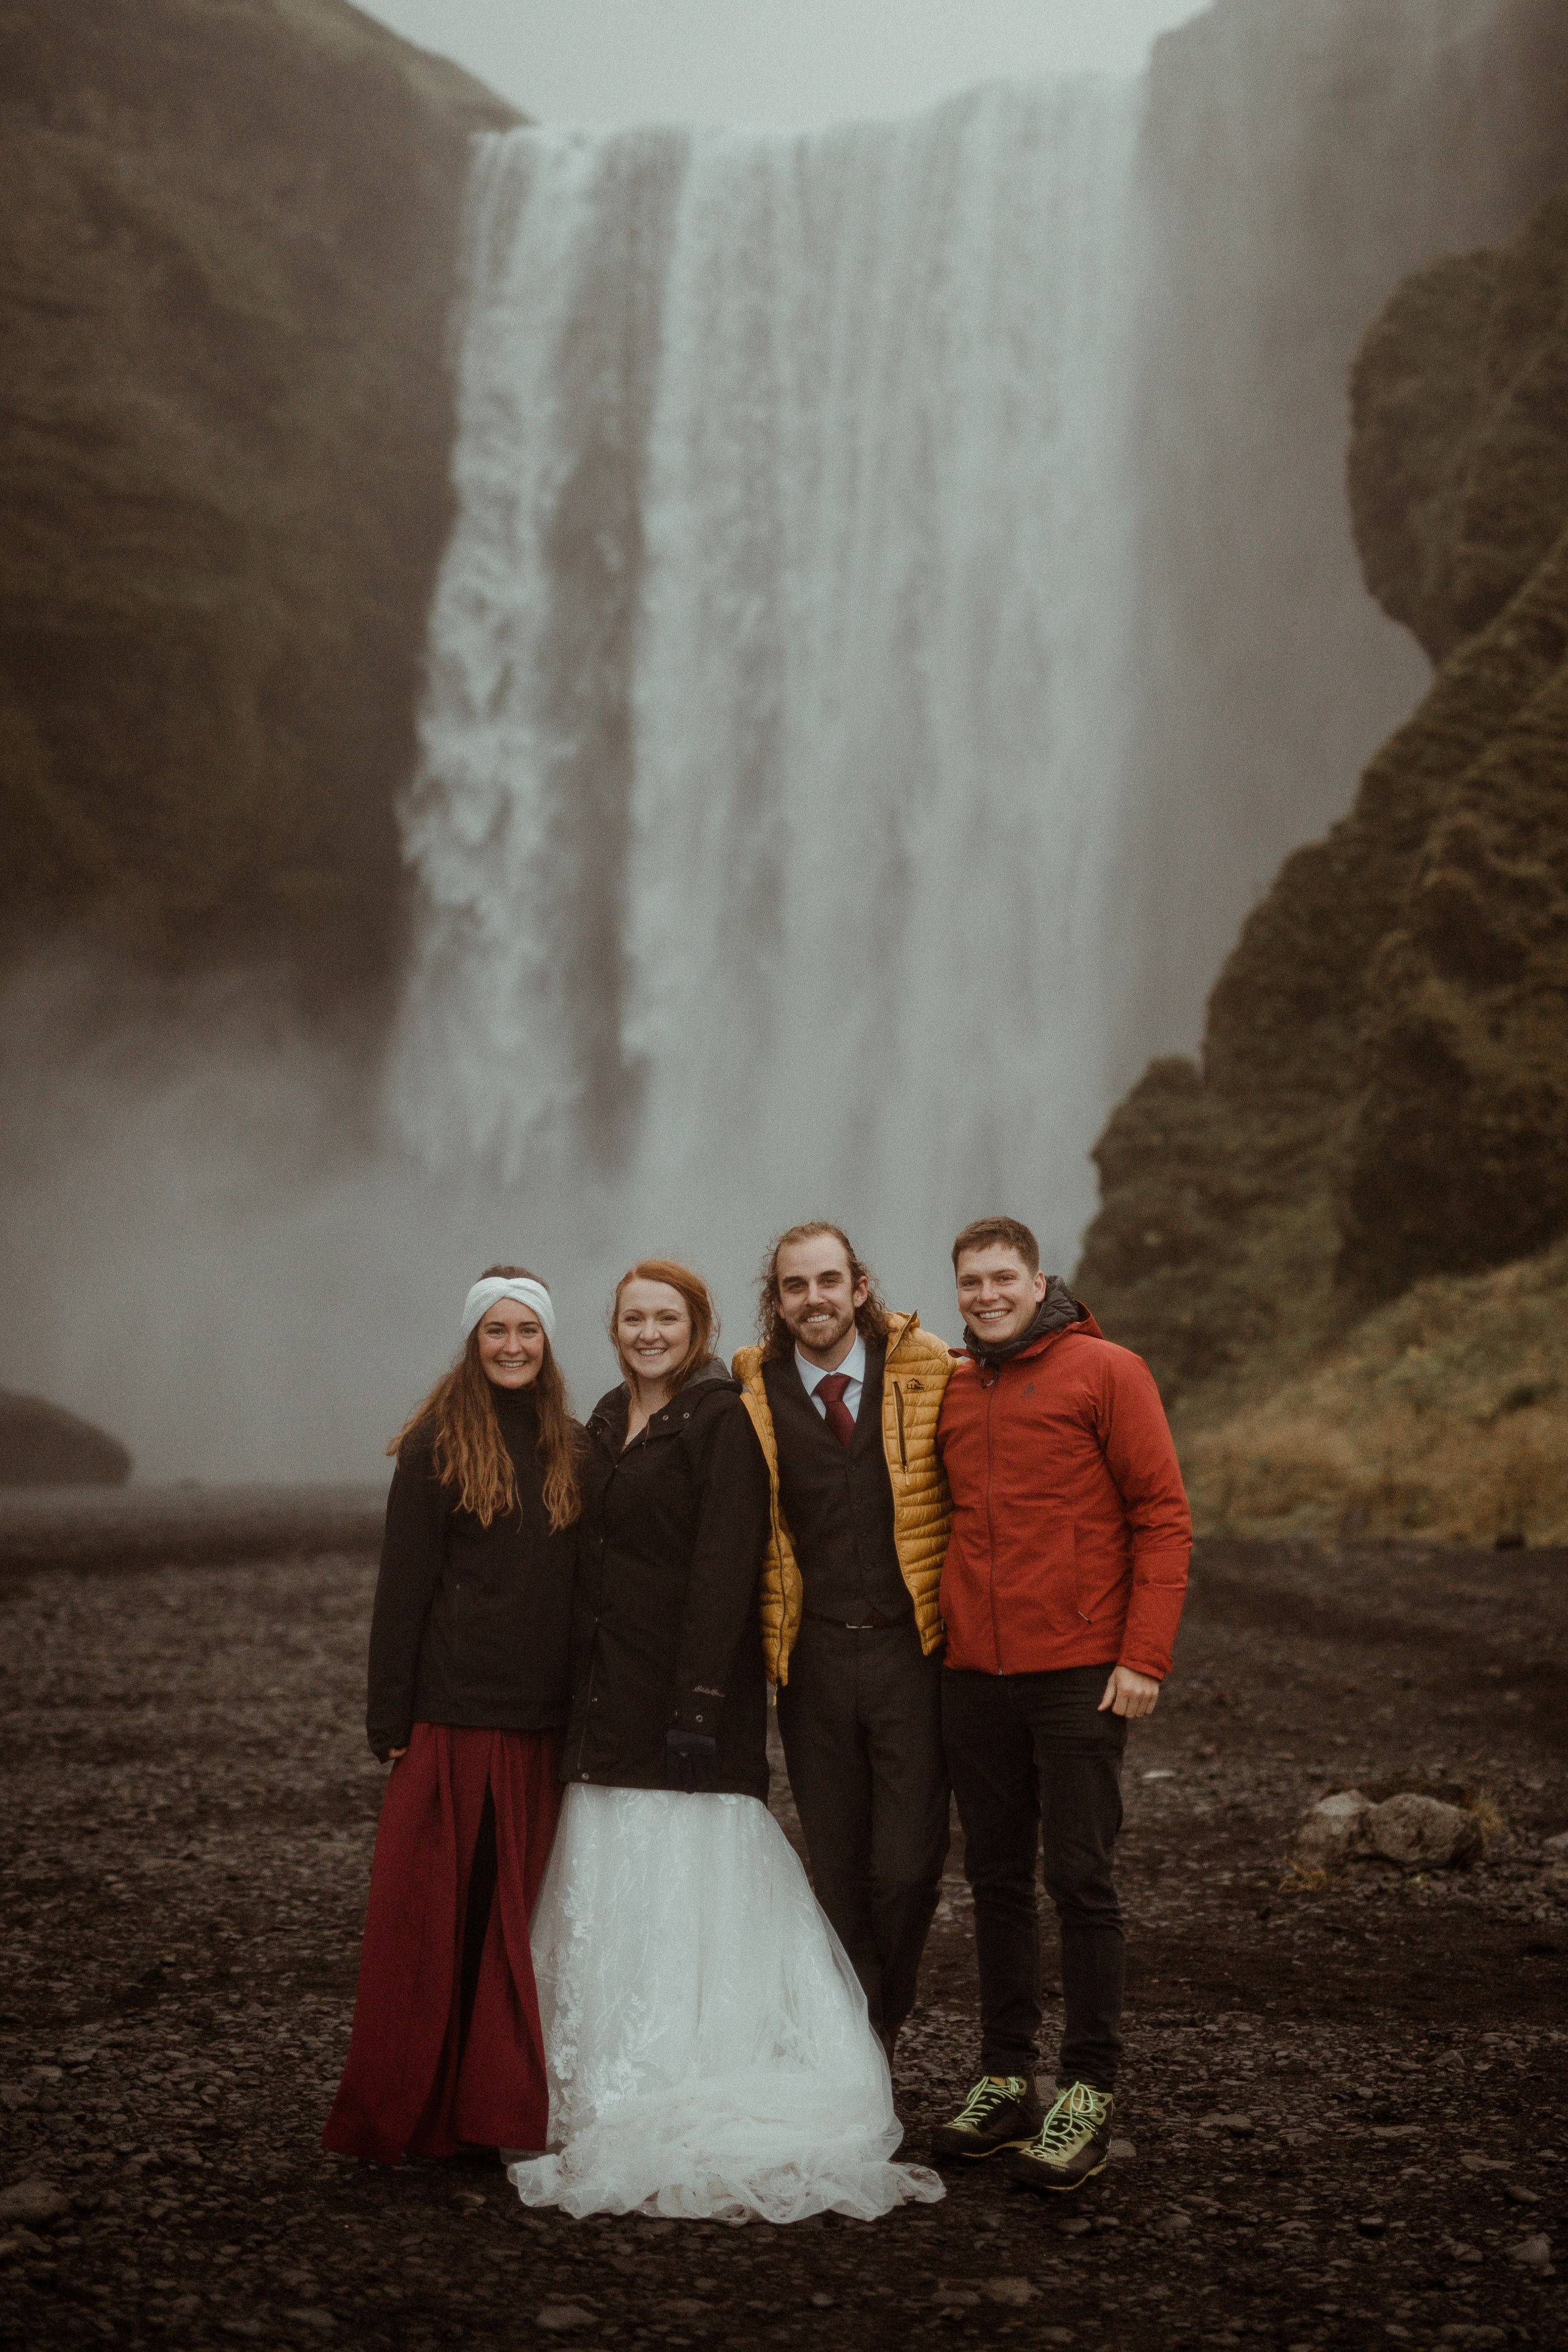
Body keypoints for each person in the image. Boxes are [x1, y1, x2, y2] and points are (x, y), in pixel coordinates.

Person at [509, 1258, 943, 2224]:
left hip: (687, 1707)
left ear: (698, 1327)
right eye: (633, 1317)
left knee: (691, 1884)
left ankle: (695, 2064)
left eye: (668, 1317)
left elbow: (725, 1571)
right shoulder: (601, 1427)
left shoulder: (719, 1421)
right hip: (607, 1706)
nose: (649, 1331)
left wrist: (700, 1705)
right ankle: (595, 2077)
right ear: (613, 1328)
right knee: (613, 1883)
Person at [930, 1215, 1191, 2193]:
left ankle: (1085, 2091)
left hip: (1081, 1669)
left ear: (1040, 1282)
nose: (987, 1295)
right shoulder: (953, 1387)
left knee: (1081, 1879)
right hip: (973, 1675)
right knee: (994, 1880)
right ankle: (1006, 2079)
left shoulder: (1108, 1370)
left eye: (1003, 1278)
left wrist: (1145, 1657)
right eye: (970, 1283)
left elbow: (1163, 1516)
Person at [323, 1266, 580, 2166]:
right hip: (455, 1717)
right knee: (440, 1920)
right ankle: (419, 2113)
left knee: (515, 1922)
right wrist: (388, 1717)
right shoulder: (435, 1447)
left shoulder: (573, 1449)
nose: (512, 1346)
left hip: (543, 1724)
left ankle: (494, 2108)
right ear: (473, 1344)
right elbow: (403, 1594)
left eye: (528, 1333)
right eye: (495, 1332)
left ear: (548, 1346)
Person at [731, 1221, 954, 2063]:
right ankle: (864, 2044)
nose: (814, 1299)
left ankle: (881, 2011)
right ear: (778, 1301)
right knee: (836, 1870)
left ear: (860, 1287)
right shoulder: (752, 1386)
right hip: (813, 1659)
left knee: (906, 1867)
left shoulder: (929, 1366)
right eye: (796, 1286)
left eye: (830, 1281)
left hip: (912, 1654)